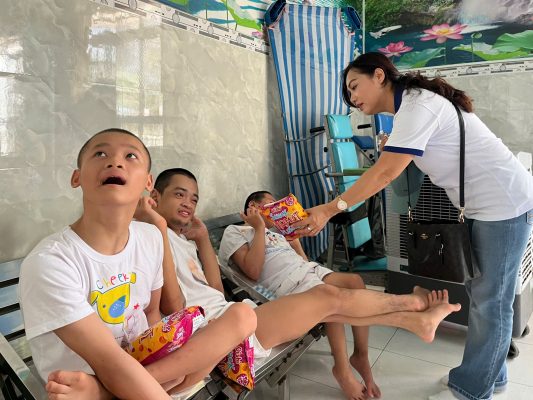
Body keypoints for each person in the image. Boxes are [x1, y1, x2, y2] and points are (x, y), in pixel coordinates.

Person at [293, 52, 533, 400]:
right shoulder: (411, 108)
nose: (352, 98)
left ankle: (471, 390)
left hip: (505, 205)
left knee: (491, 302)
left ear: (379, 75)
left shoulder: (418, 105)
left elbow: (385, 173)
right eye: (348, 94)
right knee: (483, 296)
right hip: (484, 206)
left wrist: (330, 209)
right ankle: (491, 379)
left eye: (354, 86)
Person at [150, 168, 461, 400]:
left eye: (193, 198)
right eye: (179, 194)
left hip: (230, 317)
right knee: (329, 298)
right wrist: (161, 228)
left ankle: (412, 321)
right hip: (216, 334)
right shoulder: (155, 237)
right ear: (154, 198)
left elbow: (216, 293)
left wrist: (203, 239)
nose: (188, 203)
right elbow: (176, 306)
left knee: (335, 295)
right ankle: (411, 305)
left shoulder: (184, 242)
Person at [18, 129, 257, 400]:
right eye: (100, 153)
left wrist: (169, 357)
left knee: (244, 316)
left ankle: (104, 392)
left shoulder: (150, 237)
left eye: (130, 156)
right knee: (178, 371)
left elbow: (152, 313)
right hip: (84, 381)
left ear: (147, 181)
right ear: (77, 177)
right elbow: (108, 359)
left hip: (133, 374)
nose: (115, 162)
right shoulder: (50, 261)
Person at [218, 190, 381, 398]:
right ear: (253, 207)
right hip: (286, 284)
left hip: (307, 271)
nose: (277, 209)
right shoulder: (235, 232)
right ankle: (342, 370)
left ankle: (360, 355)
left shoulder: (276, 233)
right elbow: (253, 271)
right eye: (271, 204)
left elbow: (303, 262)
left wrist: (295, 244)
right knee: (330, 296)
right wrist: (258, 228)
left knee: (355, 282)